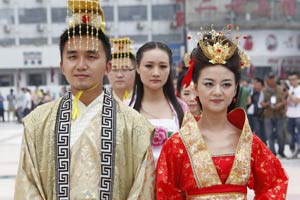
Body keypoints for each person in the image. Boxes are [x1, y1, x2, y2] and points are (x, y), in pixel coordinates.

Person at [14, 1, 155, 199]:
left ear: (107, 67)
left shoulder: (134, 124)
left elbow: (142, 188)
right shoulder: (38, 122)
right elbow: (27, 184)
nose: (81, 65)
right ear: (62, 66)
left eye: (91, 56)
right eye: (73, 57)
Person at [156, 27, 288, 199]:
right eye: (209, 84)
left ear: (235, 90)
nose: (217, 92)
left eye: (226, 84)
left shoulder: (249, 143)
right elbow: (165, 192)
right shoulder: (176, 145)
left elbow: (275, 183)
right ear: (195, 88)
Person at [129, 41, 188, 163]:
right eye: (149, 66)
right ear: (138, 68)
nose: (156, 73)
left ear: (169, 68)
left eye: (162, 66)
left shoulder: (181, 108)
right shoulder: (125, 108)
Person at [261, 72, 287, 157]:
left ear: (275, 79)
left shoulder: (280, 89)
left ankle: (281, 151)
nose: (272, 80)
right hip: (268, 115)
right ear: (267, 80)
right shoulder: (264, 90)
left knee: (281, 134)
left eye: (273, 78)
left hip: (279, 115)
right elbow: (261, 103)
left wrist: (280, 105)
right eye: (270, 78)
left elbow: (285, 101)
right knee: (270, 135)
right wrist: (267, 104)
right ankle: (272, 152)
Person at [177, 52, 201, 119]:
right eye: (186, 94)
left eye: (196, 94)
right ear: (179, 94)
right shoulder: (174, 122)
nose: (192, 99)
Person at [247, 77, 266, 143]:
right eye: (255, 85)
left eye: (258, 85)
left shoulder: (265, 93)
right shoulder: (253, 93)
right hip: (253, 114)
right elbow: (249, 102)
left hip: (261, 114)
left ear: (262, 86)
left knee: (260, 131)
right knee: (252, 131)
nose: (256, 87)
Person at [286, 72, 300, 158]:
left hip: (298, 115)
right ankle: (292, 150)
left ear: (298, 80)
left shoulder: (299, 89)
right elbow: (288, 102)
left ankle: (298, 150)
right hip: (289, 115)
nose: (292, 81)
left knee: (298, 134)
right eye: (290, 80)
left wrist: (288, 94)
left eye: (294, 79)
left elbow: (295, 101)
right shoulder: (290, 89)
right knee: (290, 135)